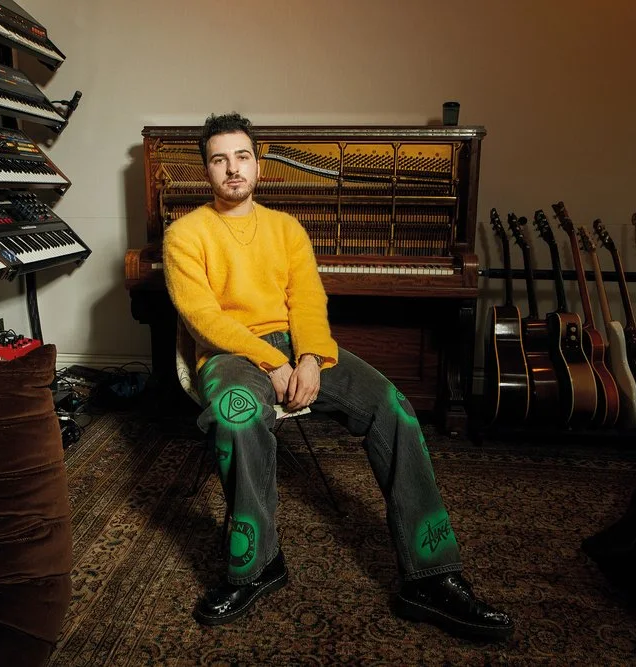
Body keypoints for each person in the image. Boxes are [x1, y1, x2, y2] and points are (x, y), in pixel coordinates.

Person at [163, 112, 514, 642]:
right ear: (206, 170)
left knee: (392, 407)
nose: (232, 169)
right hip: (230, 354)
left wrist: (308, 358)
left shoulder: (287, 229)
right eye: (219, 159)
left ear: (258, 164)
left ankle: (431, 576)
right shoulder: (184, 234)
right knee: (241, 415)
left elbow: (307, 302)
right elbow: (203, 319)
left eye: (241, 156)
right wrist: (271, 362)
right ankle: (257, 567)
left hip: (295, 350)